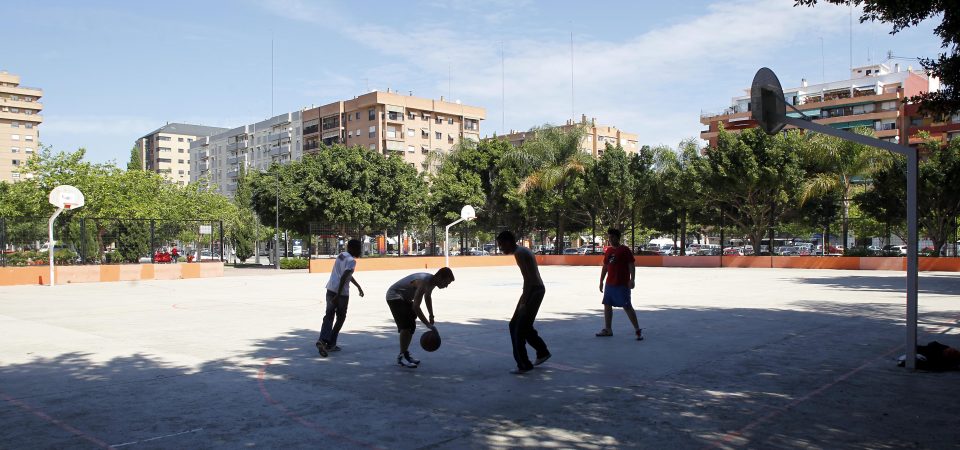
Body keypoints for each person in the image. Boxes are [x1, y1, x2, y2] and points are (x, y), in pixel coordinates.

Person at [496, 230, 551, 374]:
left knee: (517, 328)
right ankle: (542, 352)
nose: (501, 248)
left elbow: (528, 280)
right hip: (535, 290)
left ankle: (524, 364)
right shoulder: (522, 250)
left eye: (501, 245)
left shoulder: (520, 253)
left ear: (508, 242)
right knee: (523, 326)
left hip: (534, 290)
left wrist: (524, 302)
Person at [385, 267, 455, 368]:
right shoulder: (423, 282)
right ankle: (401, 357)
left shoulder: (432, 282)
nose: (446, 286)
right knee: (406, 326)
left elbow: (427, 297)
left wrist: (431, 315)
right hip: (394, 296)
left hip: (405, 298)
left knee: (411, 326)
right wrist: (428, 325)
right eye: (446, 283)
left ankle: (405, 354)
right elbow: (416, 307)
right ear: (440, 277)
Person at [316, 239, 364, 357]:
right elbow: (344, 277)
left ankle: (322, 340)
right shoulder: (352, 261)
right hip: (341, 294)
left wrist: (358, 287)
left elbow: (347, 275)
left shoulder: (341, 255)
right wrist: (338, 294)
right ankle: (331, 344)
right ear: (353, 248)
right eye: (359, 248)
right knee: (341, 317)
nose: (360, 250)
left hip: (330, 288)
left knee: (329, 315)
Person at [596, 228, 643, 340]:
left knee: (627, 306)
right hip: (610, 283)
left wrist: (632, 279)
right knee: (607, 304)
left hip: (622, 283)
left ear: (618, 237)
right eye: (609, 237)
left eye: (612, 237)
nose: (610, 239)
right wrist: (601, 281)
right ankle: (608, 329)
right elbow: (605, 266)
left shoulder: (624, 250)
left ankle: (637, 330)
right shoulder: (608, 251)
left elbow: (631, 265)